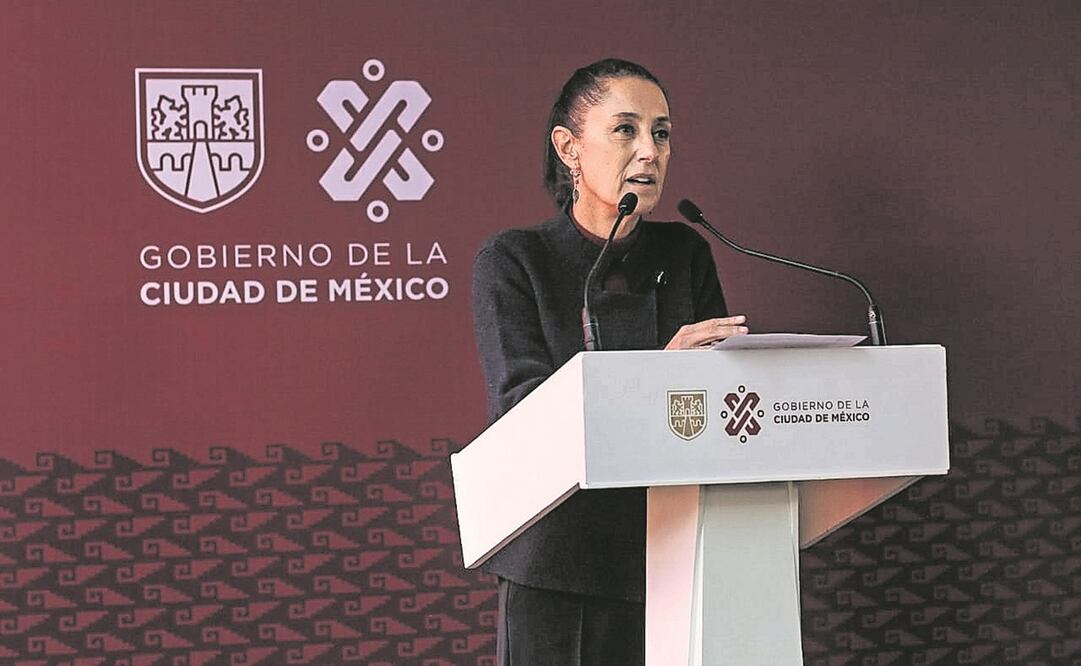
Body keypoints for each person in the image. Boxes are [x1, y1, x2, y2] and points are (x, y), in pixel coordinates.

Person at [471, 58, 749, 666]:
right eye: (625, 130)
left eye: (662, 132)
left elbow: (719, 395)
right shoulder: (516, 261)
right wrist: (658, 374)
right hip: (561, 562)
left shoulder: (686, 251)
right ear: (569, 148)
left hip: (676, 548)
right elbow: (523, 410)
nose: (649, 151)